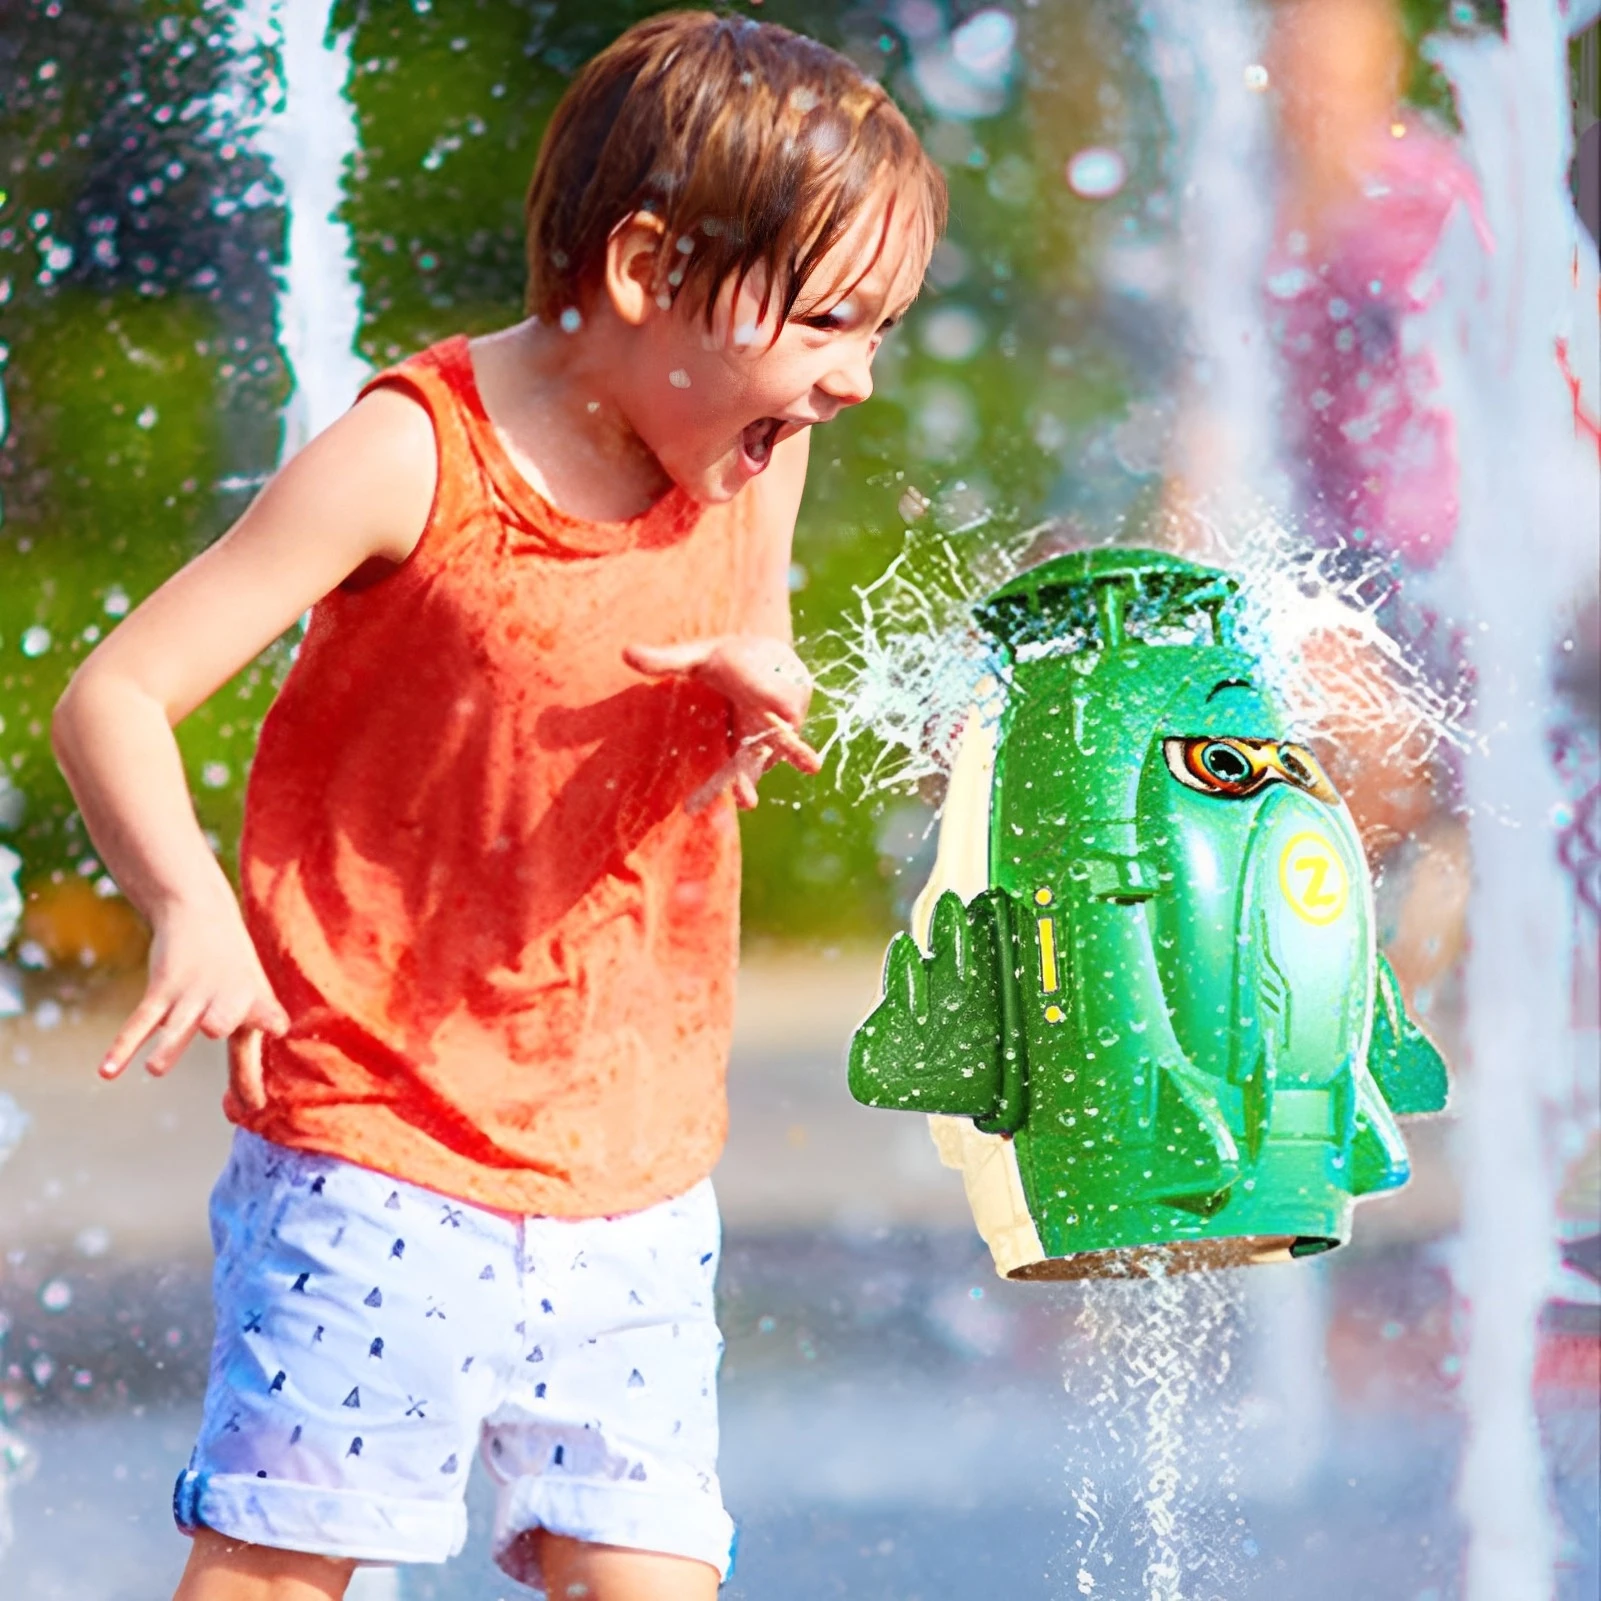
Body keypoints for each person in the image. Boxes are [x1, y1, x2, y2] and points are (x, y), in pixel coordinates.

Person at [50, 14, 944, 1600]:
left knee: (652, 1573)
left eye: (878, 333)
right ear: (647, 266)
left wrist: (762, 685)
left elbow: (756, 642)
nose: (856, 380)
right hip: (377, 1146)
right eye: (823, 322)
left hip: (637, 1165)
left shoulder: (750, 451)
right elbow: (113, 694)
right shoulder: (415, 457)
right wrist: (193, 902)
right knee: (279, 1567)